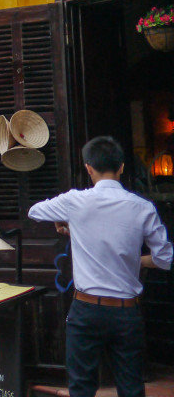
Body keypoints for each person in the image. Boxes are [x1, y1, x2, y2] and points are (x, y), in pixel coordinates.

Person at [28, 136, 172, 397]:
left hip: (86, 310)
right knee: (131, 388)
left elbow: (35, 211)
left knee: (81, 388)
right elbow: (164, 258)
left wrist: (62, 218)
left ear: (88, 168)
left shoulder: (75, 201)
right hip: (127, 312)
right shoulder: (143, 208)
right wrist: (133, 260)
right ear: (122, 167)